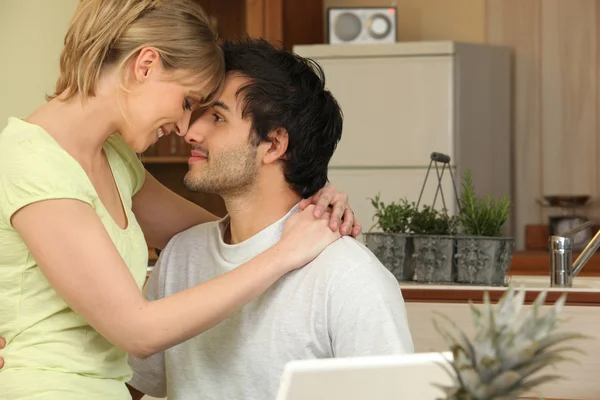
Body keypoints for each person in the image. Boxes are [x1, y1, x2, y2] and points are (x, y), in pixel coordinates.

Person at [0, 1, 361, 399]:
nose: (186, 127)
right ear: (146, 65)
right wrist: (286, 253)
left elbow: (223, 236)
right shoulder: (33, 159)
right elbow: (139, 331)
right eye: (189, 102)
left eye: (209, 113)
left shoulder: (115, 159)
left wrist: (311, 200)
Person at [127, 37, 415, 400]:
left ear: (275, 145)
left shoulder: (348, 276)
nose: (191, 132)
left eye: (216, 117)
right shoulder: (182, 256)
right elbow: (131, 385)